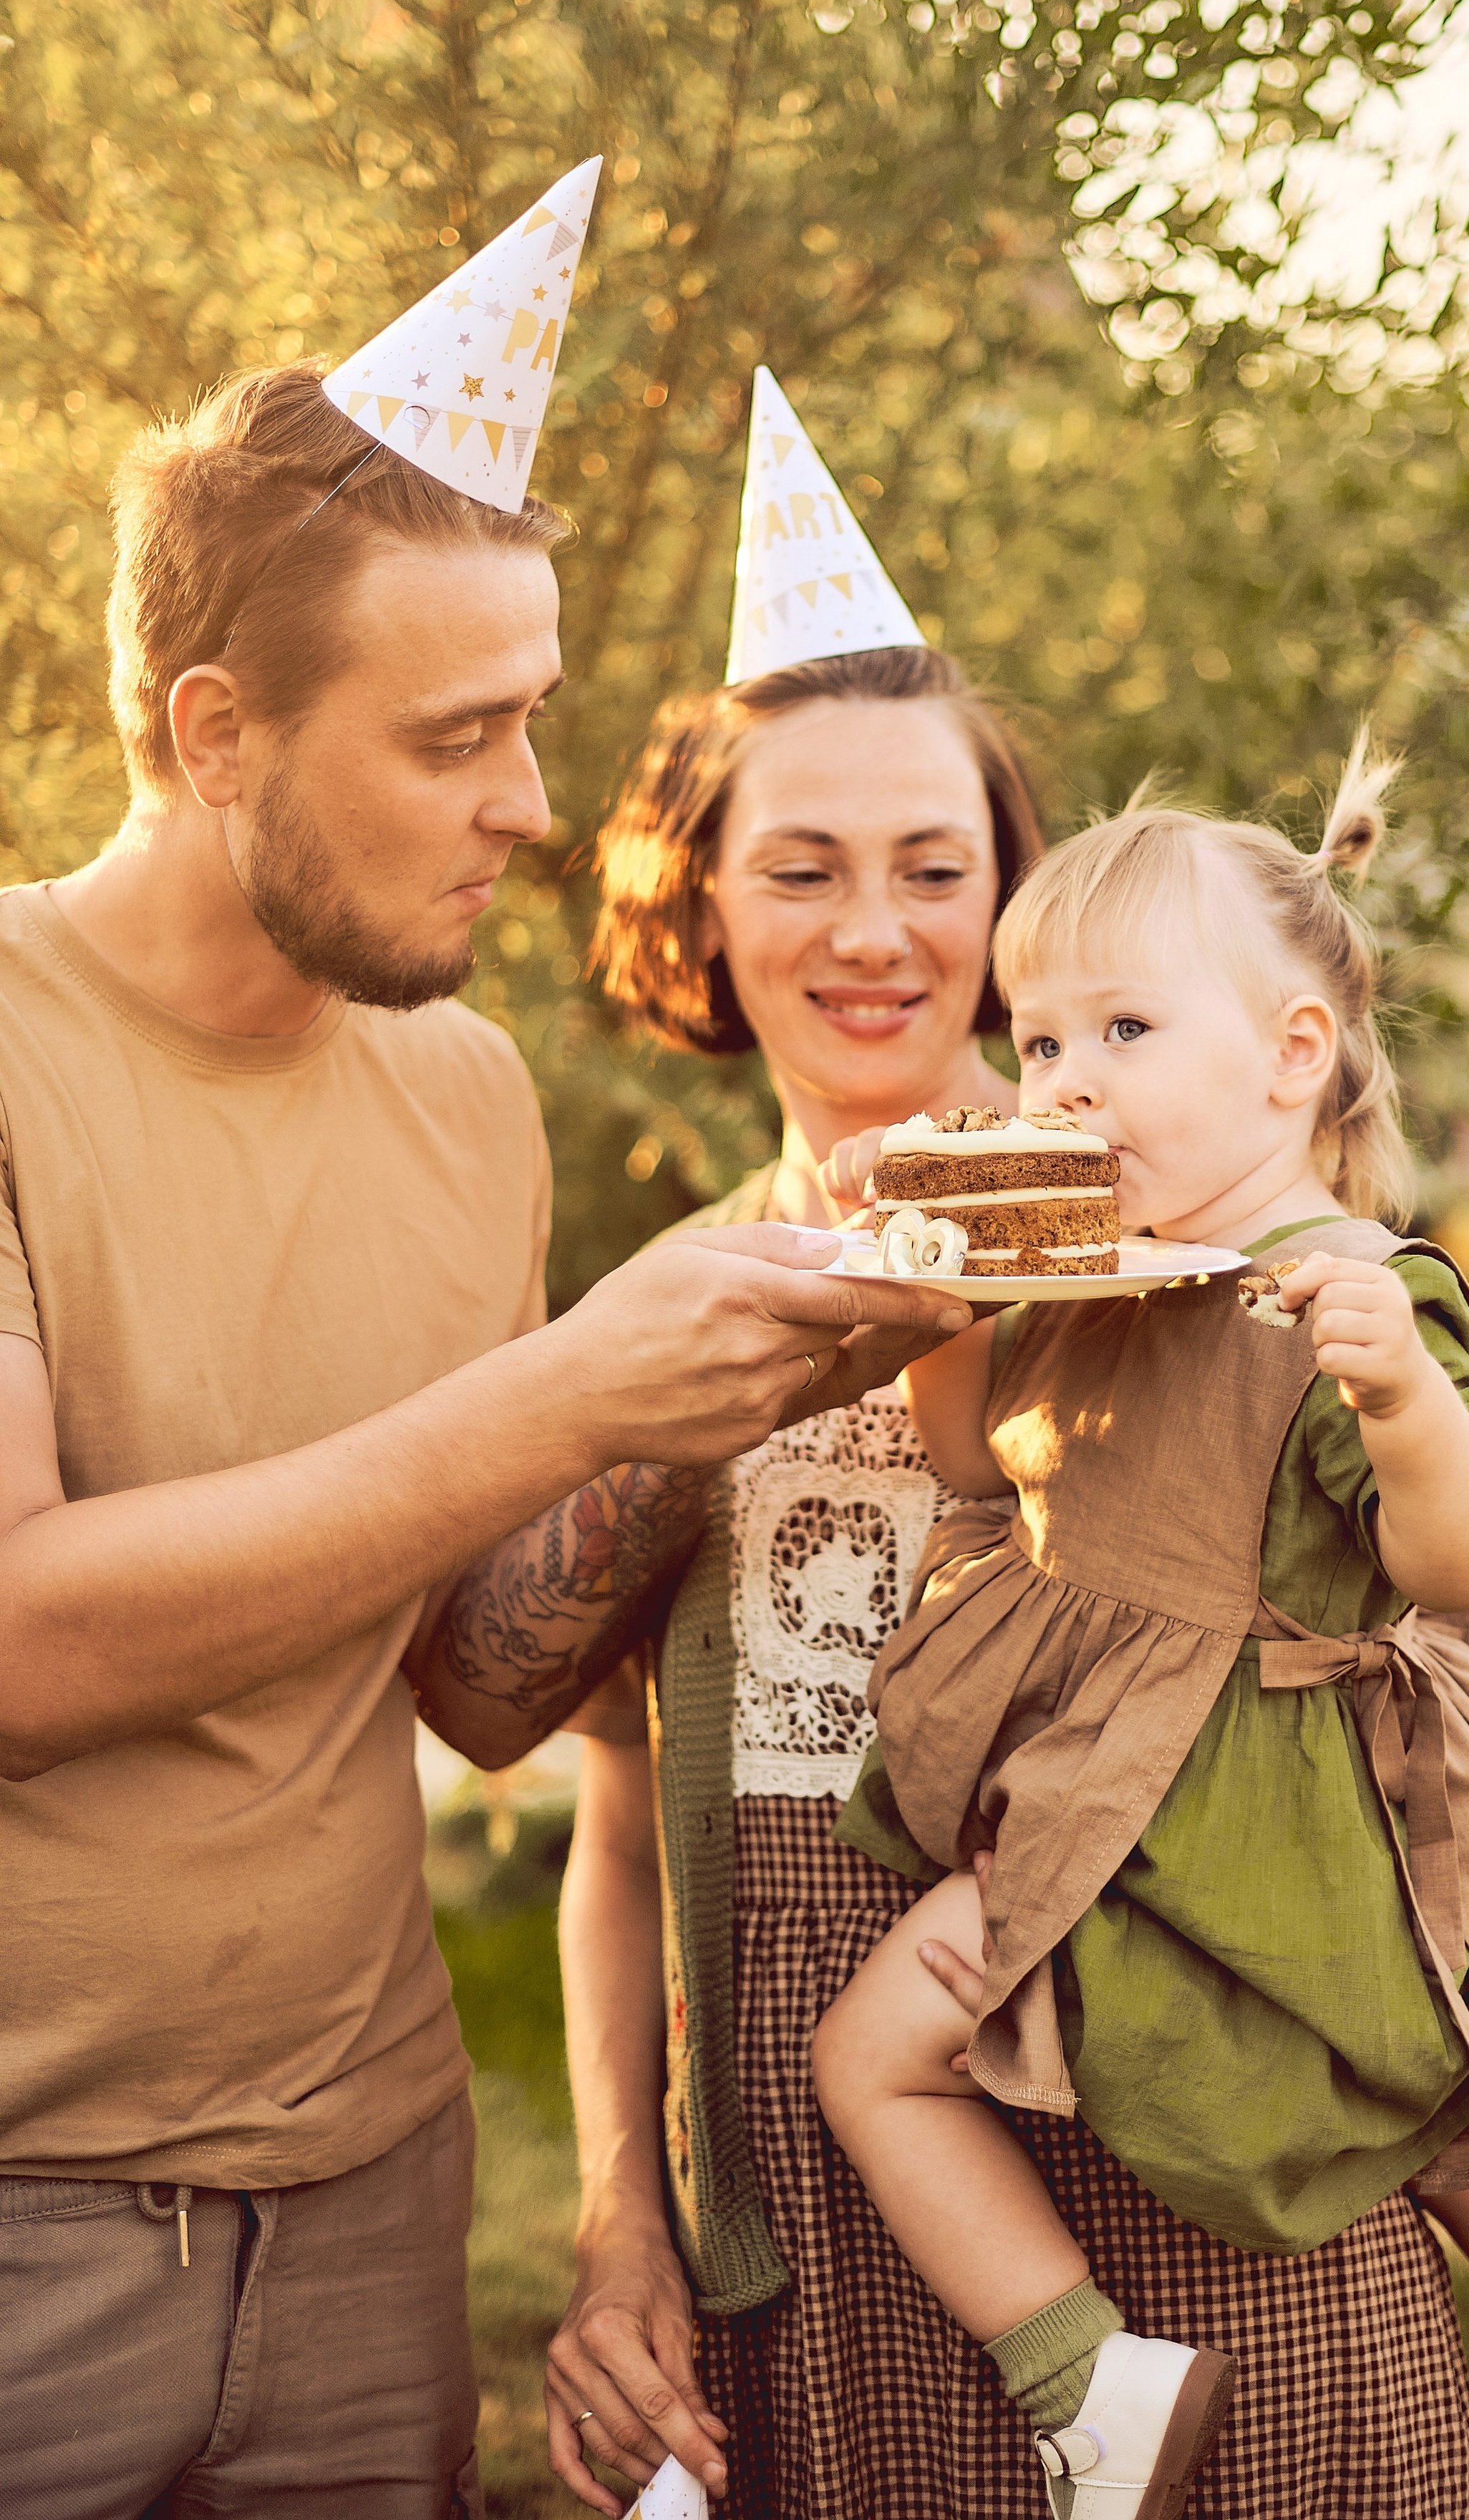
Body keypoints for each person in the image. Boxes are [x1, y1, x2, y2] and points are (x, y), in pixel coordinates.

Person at [0, 363, 972, 2520]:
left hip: (370, 2197)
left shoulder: (466, 1103)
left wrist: (720, 1417)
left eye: (526, 718)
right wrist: (571, 1393)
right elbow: (23, 1656)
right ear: (214, 733)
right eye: (456, 738)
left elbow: (466, 1677)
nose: (530, 804)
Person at [546, 668, 1469, 2520]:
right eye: (803, 868)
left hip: (1211, 2169)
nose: (876, 931)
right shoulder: (667, 1313)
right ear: (702, 900)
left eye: (934, 866)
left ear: (1013, 902)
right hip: (829, 2225)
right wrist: (619, 2218)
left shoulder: (1205, 1251)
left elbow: (1415, 1681)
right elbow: (613, 1819)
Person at [810, 759, 1469, 2520]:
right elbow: (964, 1463)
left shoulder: (1333, 1285)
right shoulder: (1103, 1276)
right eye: (1036, 1043)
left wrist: (1395, 1391)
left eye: (1123, 1029)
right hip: (1153, 1800)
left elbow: (1461, 1556)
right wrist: (939, 1290)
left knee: (876, 2051)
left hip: (1238, 1808)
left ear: (1291, 1055)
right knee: (1419, 2097)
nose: (1065, 1079)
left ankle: (1087, 2386)